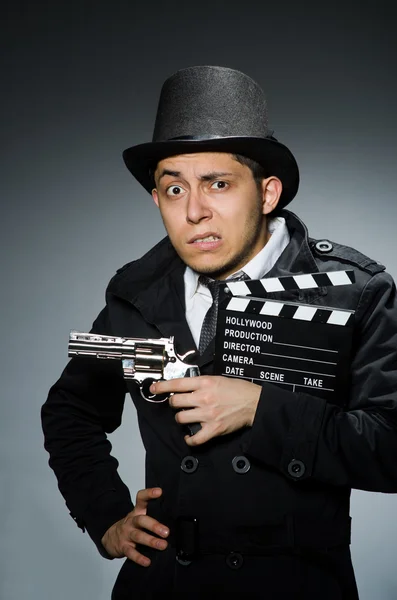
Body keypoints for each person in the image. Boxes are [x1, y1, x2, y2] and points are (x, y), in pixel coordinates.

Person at [41, 66, 397, 600]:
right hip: (164, 587)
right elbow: (70, 411)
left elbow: (391, 447)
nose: (195, 211)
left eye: (219, 183)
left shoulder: (355, 292)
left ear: (268, 192)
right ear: (156, 200)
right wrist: (105, 515)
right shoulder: (133, 295)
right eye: (174, 187)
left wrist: (261, 410)